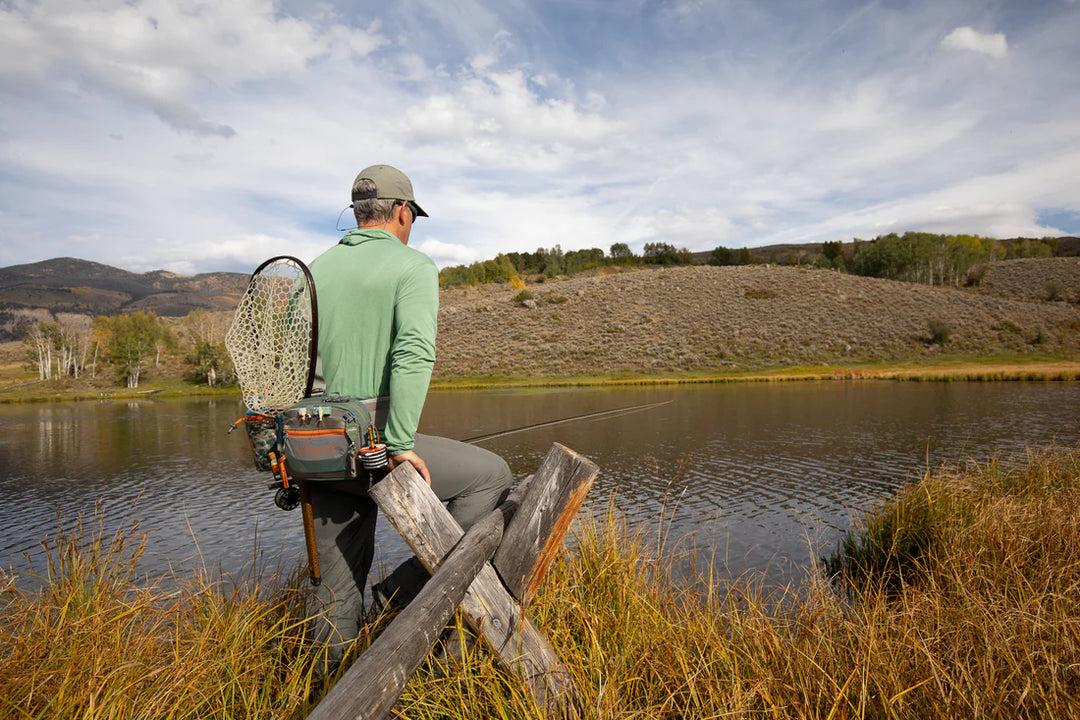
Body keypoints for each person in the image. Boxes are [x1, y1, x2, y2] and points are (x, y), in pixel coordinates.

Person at [306, 164, 513, 664]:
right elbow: (415, 353)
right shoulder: (413, 266)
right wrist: (399, 445)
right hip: (374, 448)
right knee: (492, 477)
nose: (411, 225)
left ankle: (323, 688)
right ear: (402, 211)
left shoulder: (312, 269)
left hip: (313, 449)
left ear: (357, 213)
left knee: (332, 600)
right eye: (412, 216)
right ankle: (401, 606)